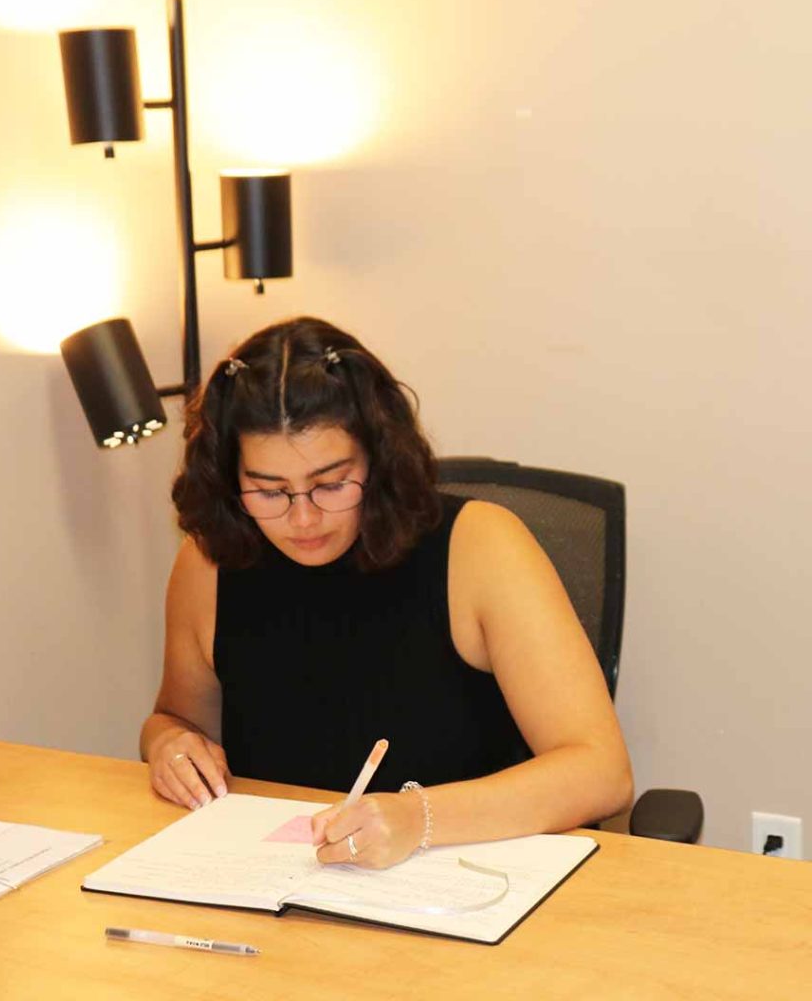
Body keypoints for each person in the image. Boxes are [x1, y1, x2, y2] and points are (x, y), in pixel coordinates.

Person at [140, 317, 633, 870]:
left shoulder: (479, 547)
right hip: (276, 883)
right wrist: (168, 748)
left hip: (463, 883)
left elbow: (601, 772)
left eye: (330, 483)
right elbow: (175, 720)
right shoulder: (209, 562)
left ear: (378, 456)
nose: (302, 518)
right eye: (268, 491)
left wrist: (416, 818)